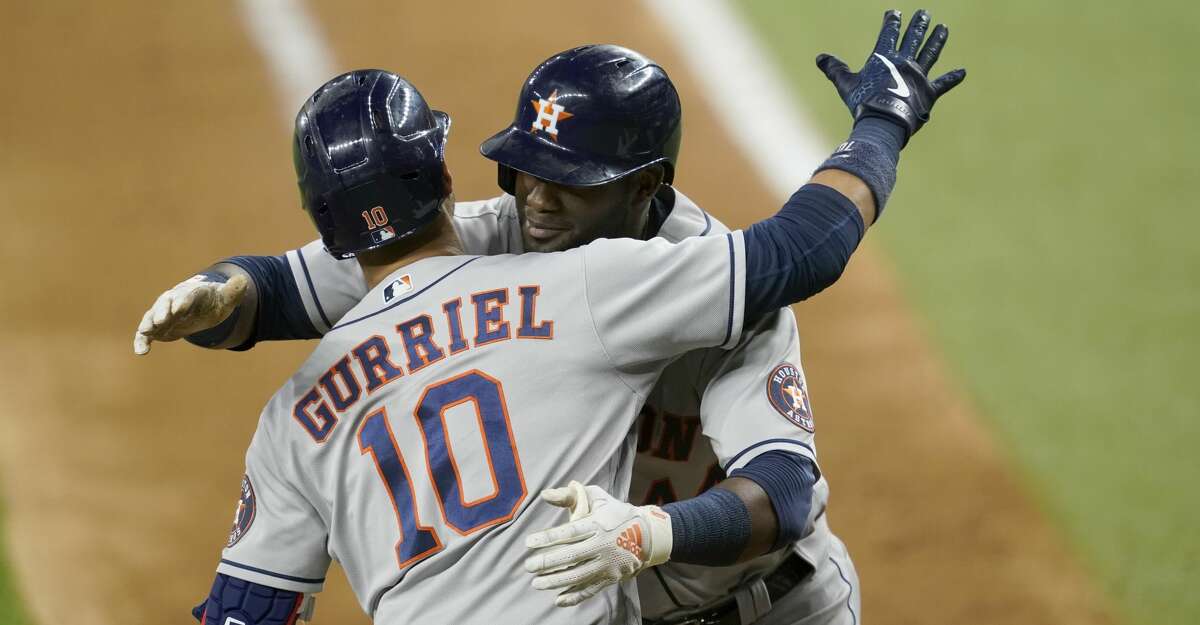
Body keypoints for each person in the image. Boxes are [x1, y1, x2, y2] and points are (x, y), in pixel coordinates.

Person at [160, 11, 962, 625]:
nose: (536, 199)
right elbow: (297, 286)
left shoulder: (717, 288)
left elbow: (785, 491)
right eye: (524, 168)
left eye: (569, 181)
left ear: (646, 185)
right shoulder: (508, 234)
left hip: (771, 605)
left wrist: (652, 532)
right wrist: (220, 287)